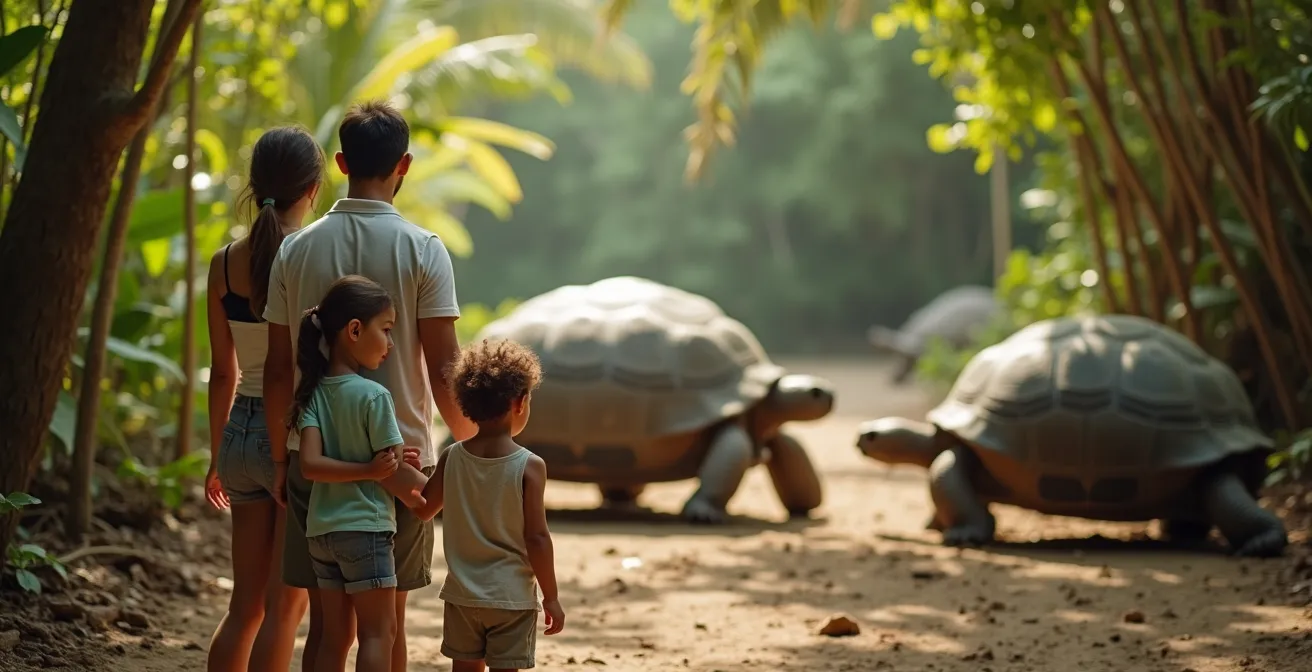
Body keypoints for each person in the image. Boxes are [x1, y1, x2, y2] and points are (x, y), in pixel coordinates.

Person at [258, 99, 479, 672]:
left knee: (326, 628)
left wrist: (282, 460)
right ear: (403, 166)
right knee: (387, 626)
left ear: (340, 162)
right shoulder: (423, 248)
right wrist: (475, 446)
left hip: (314, 459)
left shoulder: (295, 248)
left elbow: (278, 369)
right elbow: (445, 367)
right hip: (400, 462)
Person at [203, 125, 324, 672]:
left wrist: (217, 457)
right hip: (293, 436)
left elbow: (221, 373)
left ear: (254, 187)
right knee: (285, 609)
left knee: (244, 608)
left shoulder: (224, 263)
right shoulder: (312, 258)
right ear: (312, 190)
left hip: (239, 436)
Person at [289, 275, 427, 671]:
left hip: (322, 533)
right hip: (366, 530)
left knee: (335, 637)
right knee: (379, 634)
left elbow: (311, 464)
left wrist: (390, 460)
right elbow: (386, 467)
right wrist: (374, 468)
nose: (391, 343)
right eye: (386, 330)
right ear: (354, 330)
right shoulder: (374, 395)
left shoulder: (312, 393)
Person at [413, 339, 565, 672]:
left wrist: (404, 470)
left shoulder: (452, 457)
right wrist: (551, 596)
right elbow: (537, 537)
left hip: (462, 596)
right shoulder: (530, 466)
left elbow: (423, 509)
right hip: (511, 598)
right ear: (519, 402)